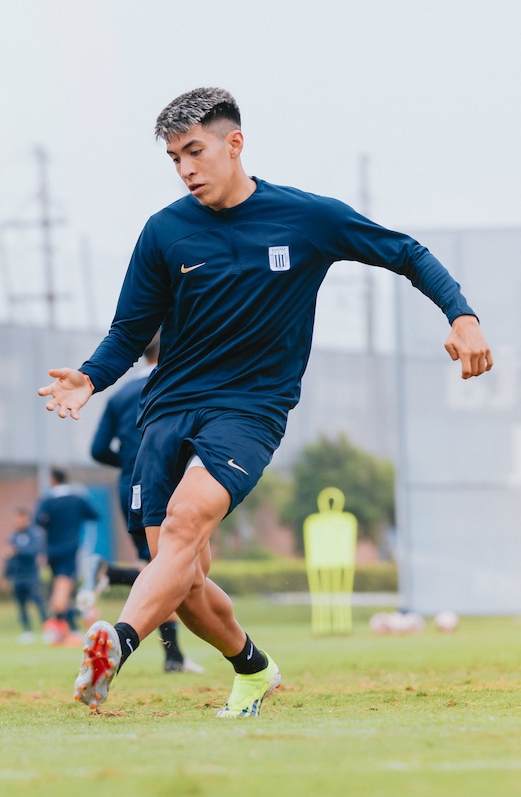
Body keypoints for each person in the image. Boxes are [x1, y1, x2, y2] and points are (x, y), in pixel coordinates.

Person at [38, 87, 493, 716]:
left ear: (235, 143)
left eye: (194, 151)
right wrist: (90, 378)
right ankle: (254, 669)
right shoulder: (164, 231)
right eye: (174, 159)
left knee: (184, 524)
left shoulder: (306, 218)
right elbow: (129, 332)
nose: (185, 168)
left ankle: (116, 644)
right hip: (167, 409)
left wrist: (462, 316)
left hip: (250, 410)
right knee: (183, 577)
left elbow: (405, 252)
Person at [89, 335, 203, 674]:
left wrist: (131, 462)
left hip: (131, 484)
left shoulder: (120, 395)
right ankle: (112, 575)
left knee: (161, 562)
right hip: (171, 480)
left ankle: (173, 656)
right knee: (171, 564)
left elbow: (97, 450)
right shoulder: (181, 382)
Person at [34, 468, 99, 646]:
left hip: (52, 550)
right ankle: (66, 626)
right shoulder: (77, 499)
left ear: (53, 479)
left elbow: (38, 520)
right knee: (64, 588)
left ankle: (64, 628)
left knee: (61, 587)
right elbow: (95, 514)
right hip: (70, 549)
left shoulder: (47, 501)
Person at [0, 507, 48, 643]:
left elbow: (34, 551)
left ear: (26, 519)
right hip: (17, 576)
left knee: (39, 603)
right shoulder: (12, 536)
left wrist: (18, 551)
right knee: (21, 605)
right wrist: (5, 576)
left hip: (31, 575)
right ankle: (27, 630)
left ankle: (48, 629)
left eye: (20, 518)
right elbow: (9, 558)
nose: (18, 521)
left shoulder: (35, 535)